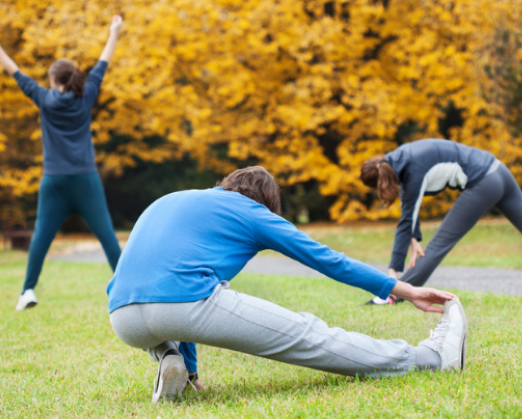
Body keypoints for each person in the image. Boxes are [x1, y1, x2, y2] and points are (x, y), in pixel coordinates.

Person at [107, 166, 468, 403]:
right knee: (308, 334)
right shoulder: (251, 211)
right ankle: (431, 359)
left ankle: (173, 362)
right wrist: (405, 289)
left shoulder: (175, 200)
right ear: (265, 204)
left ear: (226, 185)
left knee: (178, 296)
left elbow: (166, 271)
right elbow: (330, 260)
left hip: (123, 318)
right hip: (182, 303)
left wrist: (193, 370)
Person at [0, 16, 124, 311]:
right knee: (107, 236)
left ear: (53, 80)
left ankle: (28, 291)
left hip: (55, 181)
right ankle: (129, 288)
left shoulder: (44, 99)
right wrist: (113, 31)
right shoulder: (86, 95)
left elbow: (14, 71)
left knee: (41, 237)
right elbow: (103, 61)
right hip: (85, 178)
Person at [359, 138, 522, 306]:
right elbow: (410, 206)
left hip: (482, 182)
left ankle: (393, 296)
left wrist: (393, 271)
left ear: (381, 183)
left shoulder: (411, 172)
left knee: (437, 246)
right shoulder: (401, 156)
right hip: (499, 171)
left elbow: (406, 217)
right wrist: (415, 238)